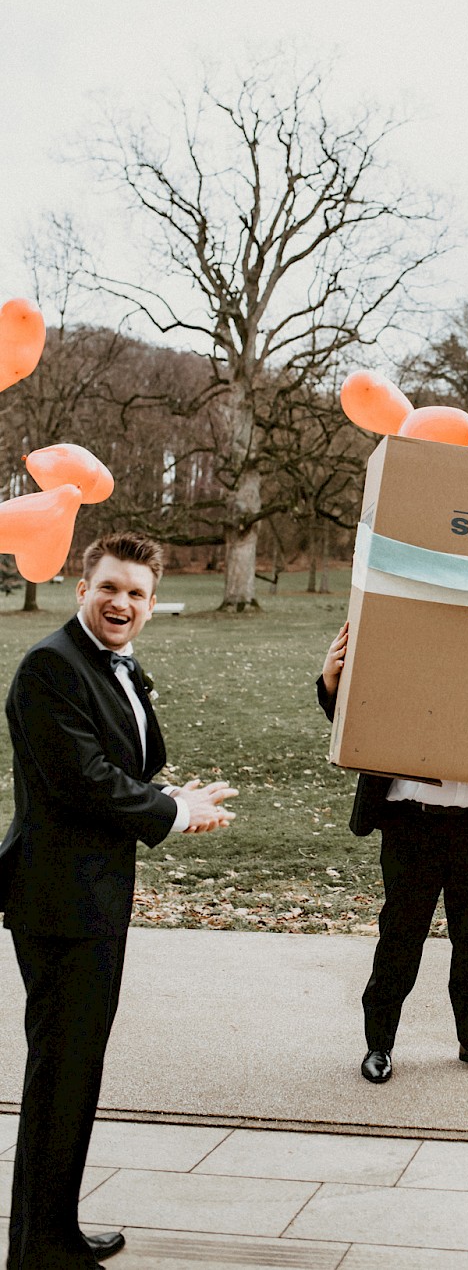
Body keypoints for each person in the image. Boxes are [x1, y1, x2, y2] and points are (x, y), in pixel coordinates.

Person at [0, 532, 238, 1269]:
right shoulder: (49, 667)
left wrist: (170, 795)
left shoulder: (114, 667)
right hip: (58, 899)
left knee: (77, 1070)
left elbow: (122, 765)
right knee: (61, 1072)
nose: (122, 603)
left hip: (96, 895)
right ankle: (38, 1247)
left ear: (153, 603)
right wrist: (172, 810)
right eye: (110, 587)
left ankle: (54, 1231)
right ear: (81, 587)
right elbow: (84, 779)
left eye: (137, 593)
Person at [318, 620, 468, 1084]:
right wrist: (330, 681)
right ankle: (379, 1044)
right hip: (410, 823)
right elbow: (354, 717)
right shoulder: (401, 643)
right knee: (401, 934)